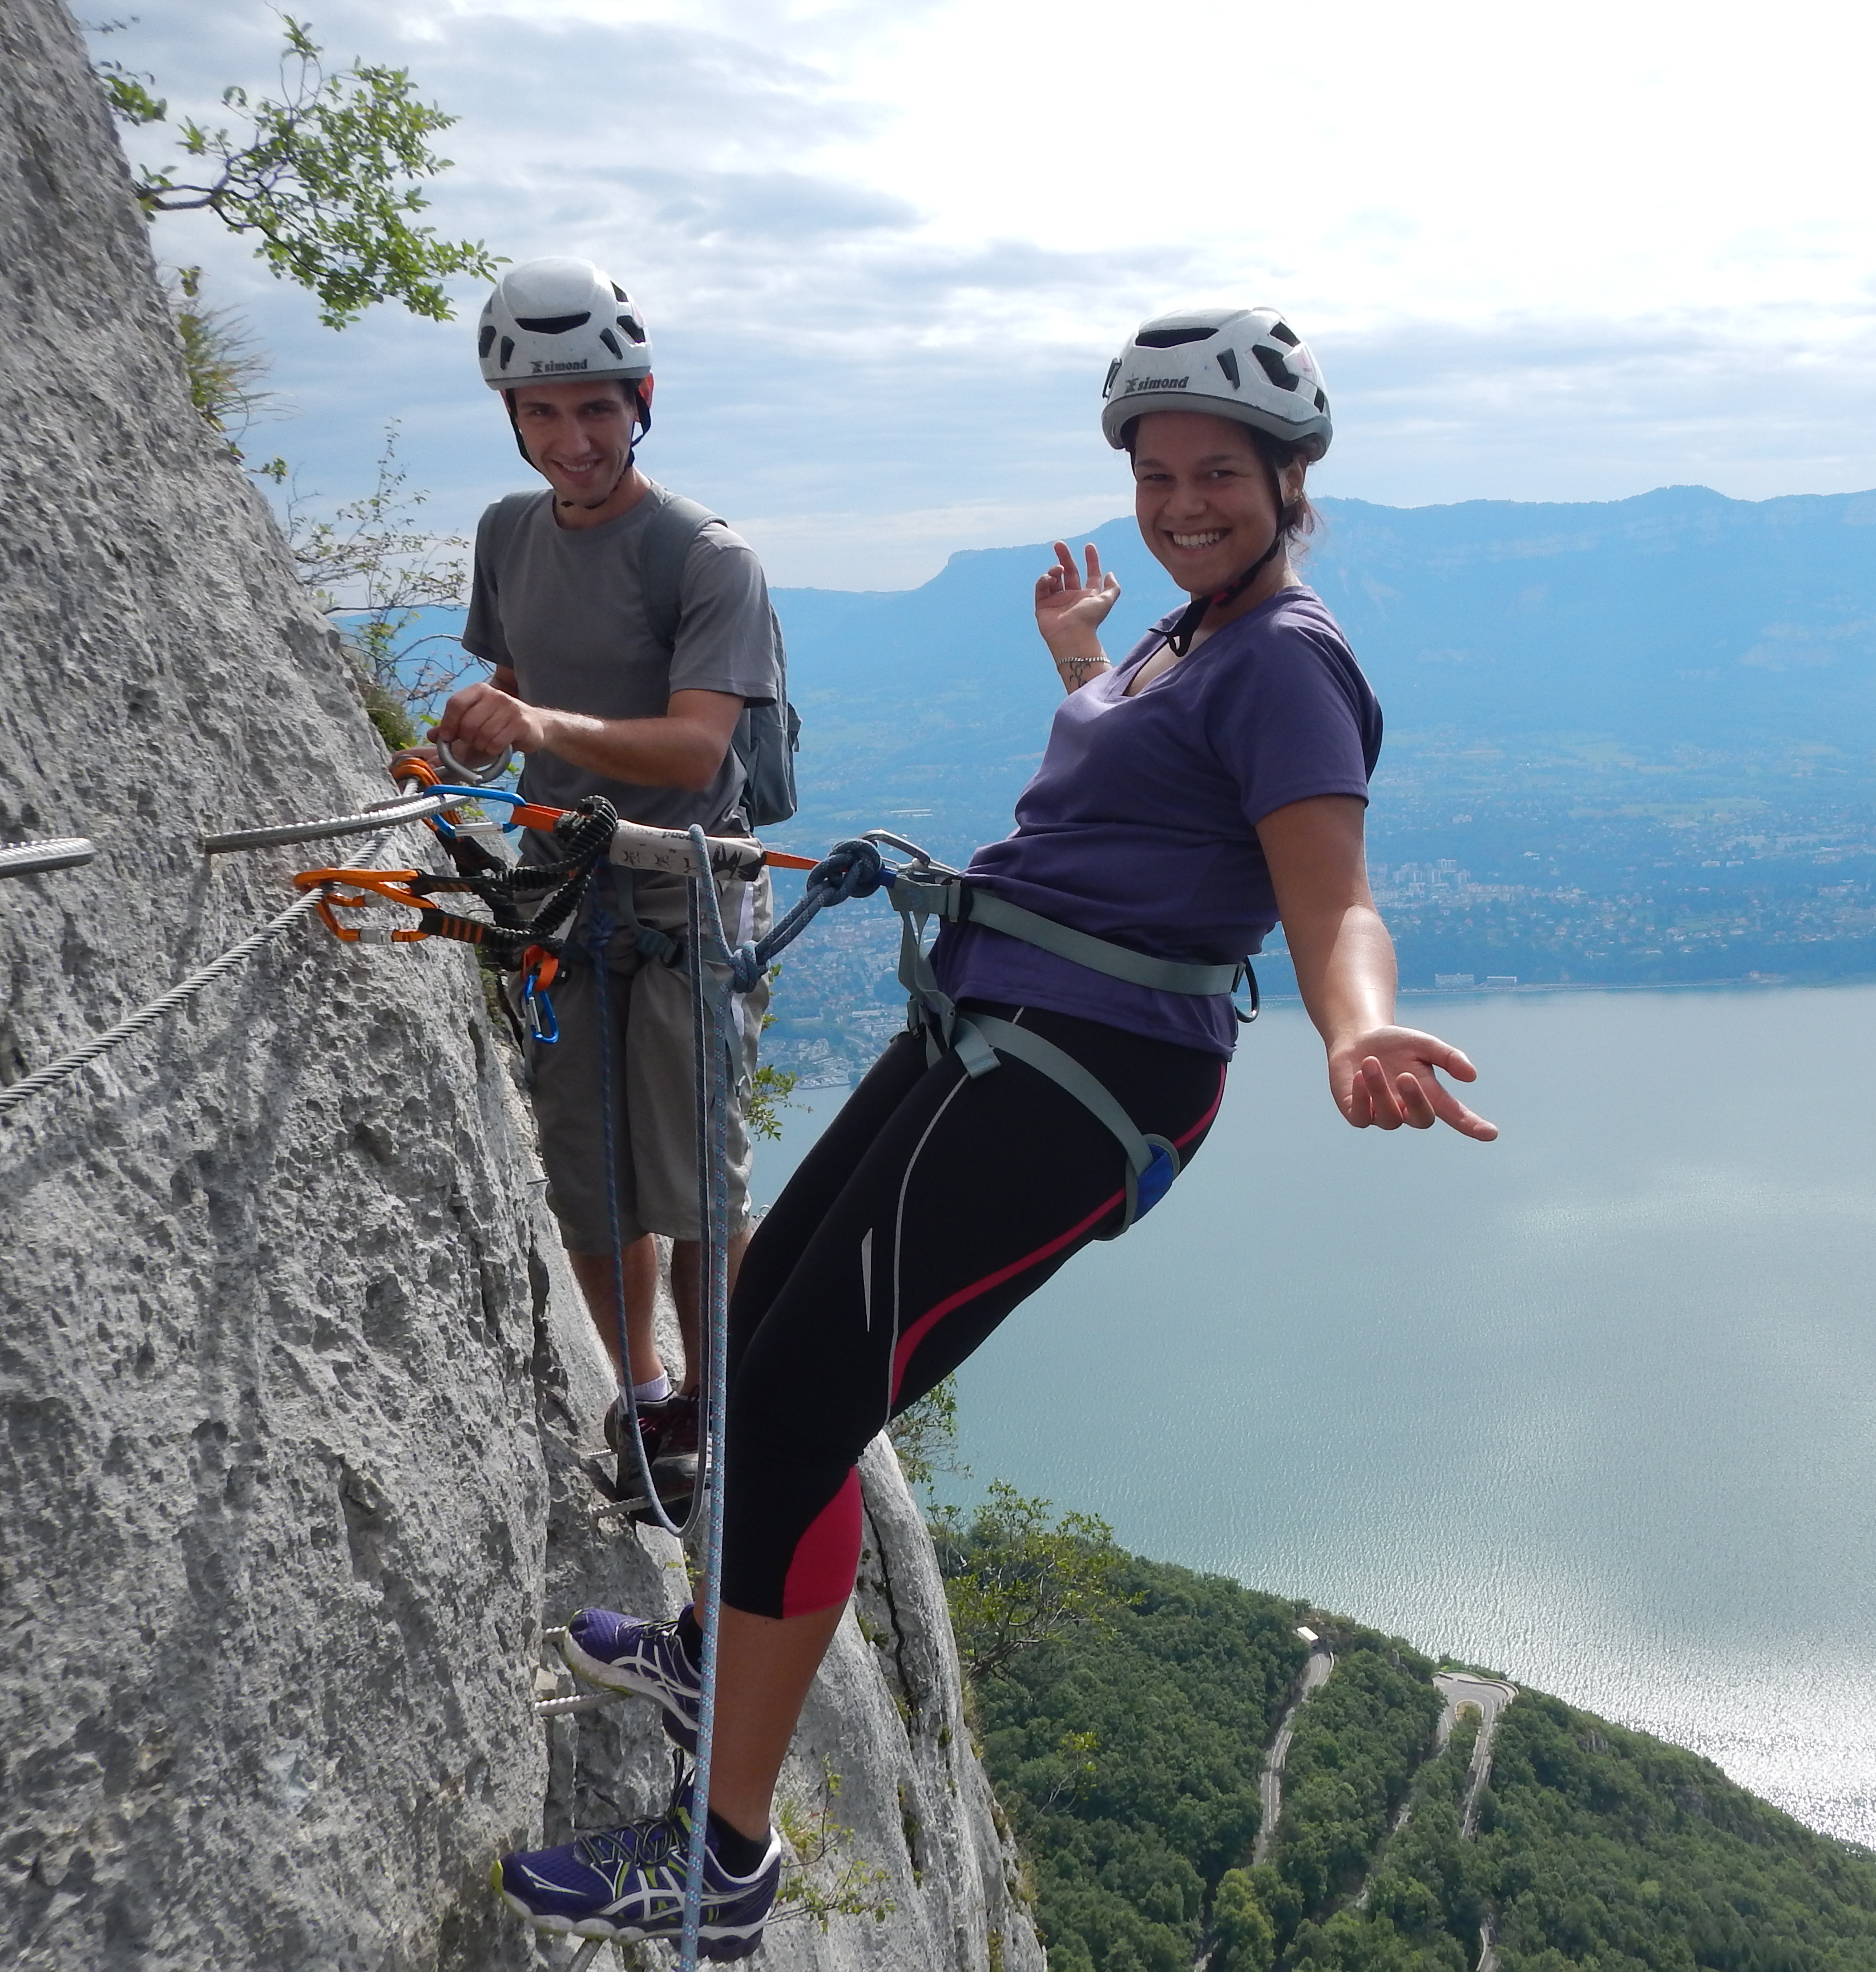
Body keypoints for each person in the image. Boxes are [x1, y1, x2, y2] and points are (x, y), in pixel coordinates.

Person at [493, 305, 1497, 1956]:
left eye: (1218, 474)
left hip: (1079, 1079)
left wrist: (1359, 1025)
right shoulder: (1189, 635)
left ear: (1288, 480)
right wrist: (1082, 665)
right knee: (759, 1327)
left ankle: (719, 1860)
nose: (1182, 502)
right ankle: (709, 1659)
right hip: (991, 1027)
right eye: (1157, 473)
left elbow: (1334, 900)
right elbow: (1154, 802)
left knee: (800, 1413)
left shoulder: (1290, 658)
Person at [397, 256, 782, 1482]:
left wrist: (535, 727)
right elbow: (518, 676)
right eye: (544, 413)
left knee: (695, 1184)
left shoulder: (704, 557)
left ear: (642, 402)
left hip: (684, 888)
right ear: (513, 418)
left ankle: (713, 1410)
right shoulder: (508, 533)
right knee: (587, 1179)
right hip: (561, 884)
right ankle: (646, 1398)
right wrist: (471, 736)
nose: (572, 440)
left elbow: (698, 744)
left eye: (597, 409)